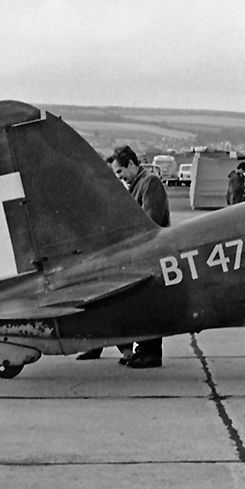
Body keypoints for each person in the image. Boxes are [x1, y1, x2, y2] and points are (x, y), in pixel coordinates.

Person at [77, 145, 172, 368]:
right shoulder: (138, 184)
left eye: (120, 172)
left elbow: (151, 220)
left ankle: (150, 353)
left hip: (151, 252)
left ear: (131, 164)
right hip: (142, 253)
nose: (120, 177)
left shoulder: (150, 183)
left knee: (148, 305)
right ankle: (140, 351)